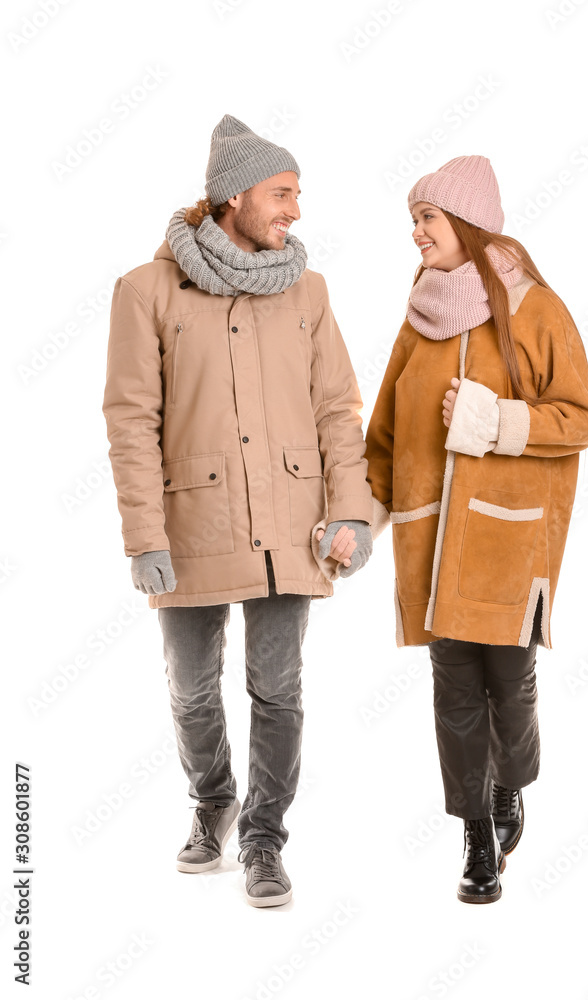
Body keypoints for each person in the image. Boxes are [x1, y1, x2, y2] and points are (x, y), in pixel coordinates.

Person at [101, 114, 374, 907]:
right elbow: (129, 420)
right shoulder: (146, 291)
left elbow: (336, 410)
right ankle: (212, 800)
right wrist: (142, 535)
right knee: (190, 688)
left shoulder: (307, 290)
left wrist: (351, 513)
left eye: (297, 194)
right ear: (231, 198)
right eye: (281, 193)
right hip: (190, 527)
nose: (294, 210)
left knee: (278, 687)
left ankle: (262, 838)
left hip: (293, 523)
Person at [362, 155, 588, 904]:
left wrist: (496, 422)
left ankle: (508, 793)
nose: (415, 233)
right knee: (453, 692)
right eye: (412, 220)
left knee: (510, 684)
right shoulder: (419, 319)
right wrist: (358, 517)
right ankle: (474, 836)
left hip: (509, 540)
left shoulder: (536, 310)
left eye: (426, 218)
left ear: (465, 221)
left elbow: (580, 419)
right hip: (431, 547)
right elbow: (385, 435)